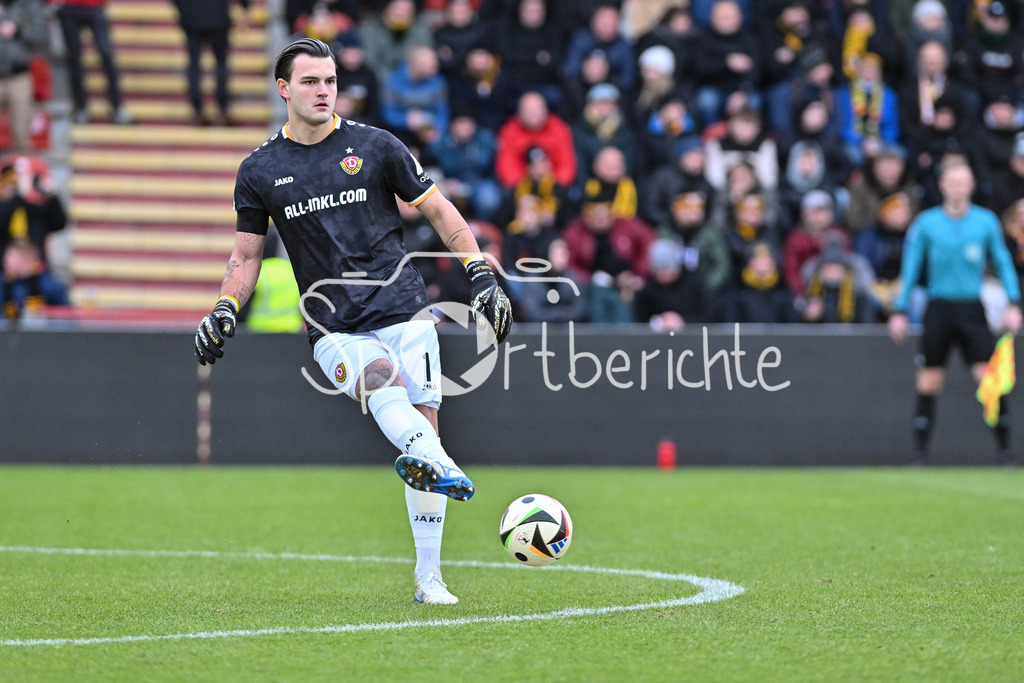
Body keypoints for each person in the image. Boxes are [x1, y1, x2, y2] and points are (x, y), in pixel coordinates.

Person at [193, 38, 512, 604]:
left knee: (422, 430)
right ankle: (441, 465)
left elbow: (438, 209)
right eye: (311, 81)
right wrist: (223, 306)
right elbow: (244, 257)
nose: (323, 91)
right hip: (331, 323)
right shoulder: (260, 169)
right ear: (284, 89)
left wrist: (479, 271)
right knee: (381, 380)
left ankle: (429, 576)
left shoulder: (376, 146)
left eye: (331, 81)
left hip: (404, 307)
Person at [889, 162, 1022, 466]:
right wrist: (900, 309)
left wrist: (1014, 303)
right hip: (938, 309)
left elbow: (1002, 261)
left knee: (988, 381)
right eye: (954, 182)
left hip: (971, 308)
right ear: (943, 185)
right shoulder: (927, 223)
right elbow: (911, 268)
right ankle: (920, 456)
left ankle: (1004, 453)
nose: (959, 187)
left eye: (964, 182)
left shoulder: (985, 222)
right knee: (929, 382)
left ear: (972, 185)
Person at [172, 0, 251, 126]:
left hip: (191, 15)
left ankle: (197, 111)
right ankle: (222, 110)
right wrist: (245, 6)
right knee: (220, 64)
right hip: (217, 15)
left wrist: (182, 8)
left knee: (194, 65)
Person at [55, 0, 131, 125]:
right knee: (74, 59)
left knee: (107, 55)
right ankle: (81, 108)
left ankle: (117, 107)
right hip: (69, 7)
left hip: (95, 6)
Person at [0, 0, 47, 151]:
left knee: (21, 132)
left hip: (19, 75)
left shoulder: (29, 5)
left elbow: (42, 35)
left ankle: (22, 170)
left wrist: (18, 29)